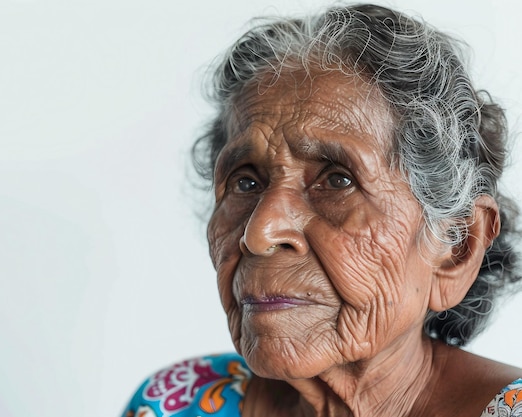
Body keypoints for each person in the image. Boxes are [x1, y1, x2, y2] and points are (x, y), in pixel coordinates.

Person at [122, 4, 522, 416]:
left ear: (457, 247)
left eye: (337, 180)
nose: (259, 233)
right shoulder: (174, 404)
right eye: (246, 182)